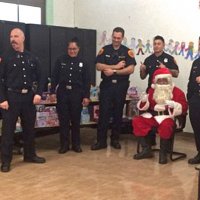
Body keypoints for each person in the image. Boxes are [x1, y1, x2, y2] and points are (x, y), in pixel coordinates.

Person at [0, 28, 46, 172]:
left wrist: (38, 93)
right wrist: (2, 99)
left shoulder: (32, 58)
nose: (13, 39)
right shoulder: (6, 58)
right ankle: (6, 161)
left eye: (16, 36)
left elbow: (42, 76)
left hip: (28, 98)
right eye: (11, 36)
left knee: (29, 130)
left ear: (23, 38)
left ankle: (30, 155)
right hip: (11, 98)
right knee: (8, 132)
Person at [91, 27, 136, 150]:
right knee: (103, 113)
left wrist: (114, 72)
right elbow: (98, 66)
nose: (116, 40)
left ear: (122, 38)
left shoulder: (127, 52)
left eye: (118, 38)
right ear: (112, 36)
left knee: (117, 113)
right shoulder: (105, 49)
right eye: (114, 37)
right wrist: (115, 66)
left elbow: (131, 69)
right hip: (107, 85)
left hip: (121, 86)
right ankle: (101, 141)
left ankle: (115, 140)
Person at [132, 68, 188, 164]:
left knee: (166, 125)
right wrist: (144, 101)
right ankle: (146, 150)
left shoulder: (178, 92)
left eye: (164, 80)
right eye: (159, 80)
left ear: (169, 80)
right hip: (154, 116)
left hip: (169, 117)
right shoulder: (151, 90)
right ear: (155, 81)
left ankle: (163, 153)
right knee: (137, 121)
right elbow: (143, 107)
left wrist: (174, 105)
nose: (162, 82)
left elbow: (184, 108)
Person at [50, 38, 90, 154]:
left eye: (74, 49)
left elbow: (87, 80)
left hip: (76, 93)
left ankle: (76, 144)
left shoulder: (83, 62)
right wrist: (52, 92)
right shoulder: (60, 60)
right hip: (63, 92)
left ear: (78, 49)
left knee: (76, 120)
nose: (72, 51)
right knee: (64, 120)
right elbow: (54, 77)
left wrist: (86, 96)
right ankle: (64, 145)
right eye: (70, 49)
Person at [140, 35, 180, 146]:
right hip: (152, 92)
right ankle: (150, 143)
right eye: (155, 44)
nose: (156, 46)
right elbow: (143, 77)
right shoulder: (148, 59)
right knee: (150, 116)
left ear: (163, 45)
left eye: (159, 44)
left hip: (165, 94)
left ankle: (166, 144)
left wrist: (165, 68)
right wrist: (142, 69)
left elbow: (176, 73)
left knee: (165, 118)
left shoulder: (169, 58)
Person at [187, 57, 200, 164]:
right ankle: (199, 153)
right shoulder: (196, 62)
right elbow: (191, 80)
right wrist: (189, 98)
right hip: (195, 98)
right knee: (196, 125)